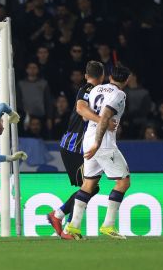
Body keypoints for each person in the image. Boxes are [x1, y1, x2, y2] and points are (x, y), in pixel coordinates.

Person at [47, 61, 114, 239]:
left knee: (91, 187)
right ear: (103, 76)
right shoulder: (87, 89)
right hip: (74, 146)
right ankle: (60, 217)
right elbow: (81, 109)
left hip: (81, 146)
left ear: (86, 75)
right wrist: (103, 121)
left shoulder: (100, 92)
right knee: (90, 187)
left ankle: (65, 222)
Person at [65, 65, 131, 240]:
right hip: (102, 143)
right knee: (123, 183)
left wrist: (93, 143)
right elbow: (105, 117)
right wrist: (97, 143)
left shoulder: (95, 90)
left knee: (89, 184)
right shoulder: (119, 94)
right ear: (127, 80)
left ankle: (73, 226)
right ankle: (108, 225)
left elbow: (86, 115)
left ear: (110, 77)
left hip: (88, 140)